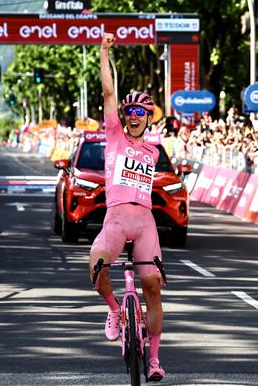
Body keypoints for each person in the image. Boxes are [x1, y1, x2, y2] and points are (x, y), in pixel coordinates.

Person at [89, 32, 165, 381]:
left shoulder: (154, 150)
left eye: (140, 112)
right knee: (96, 269)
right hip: (117, 217)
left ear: (149, 118)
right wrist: (103, 53)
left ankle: (153, 361)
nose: (134, 116)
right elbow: (108, 92)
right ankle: (115, 309)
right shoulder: (115, 135)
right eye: (129, 111)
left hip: (145, 221)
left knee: (152, 287)